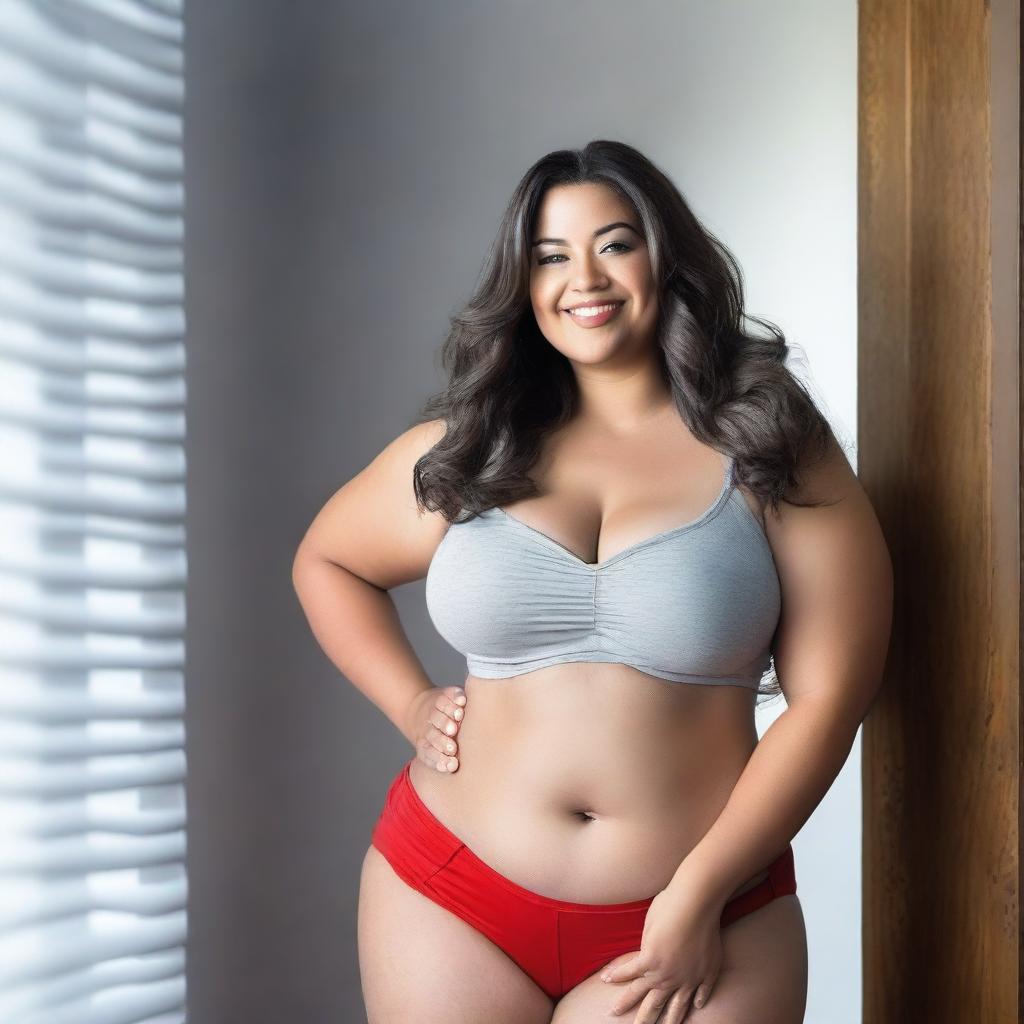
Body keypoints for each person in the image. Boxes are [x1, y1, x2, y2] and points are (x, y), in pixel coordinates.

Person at [292, 140, 893, 1024]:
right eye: (550, 255)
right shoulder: (473, 446)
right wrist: (412, 703)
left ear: (666, 258)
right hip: (450, 896)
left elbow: (832, 696)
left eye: (615, 244)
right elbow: (329, 562)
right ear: (523, 281)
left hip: (704, 911)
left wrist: (698, 893)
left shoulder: (768, 442)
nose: (585, 279)